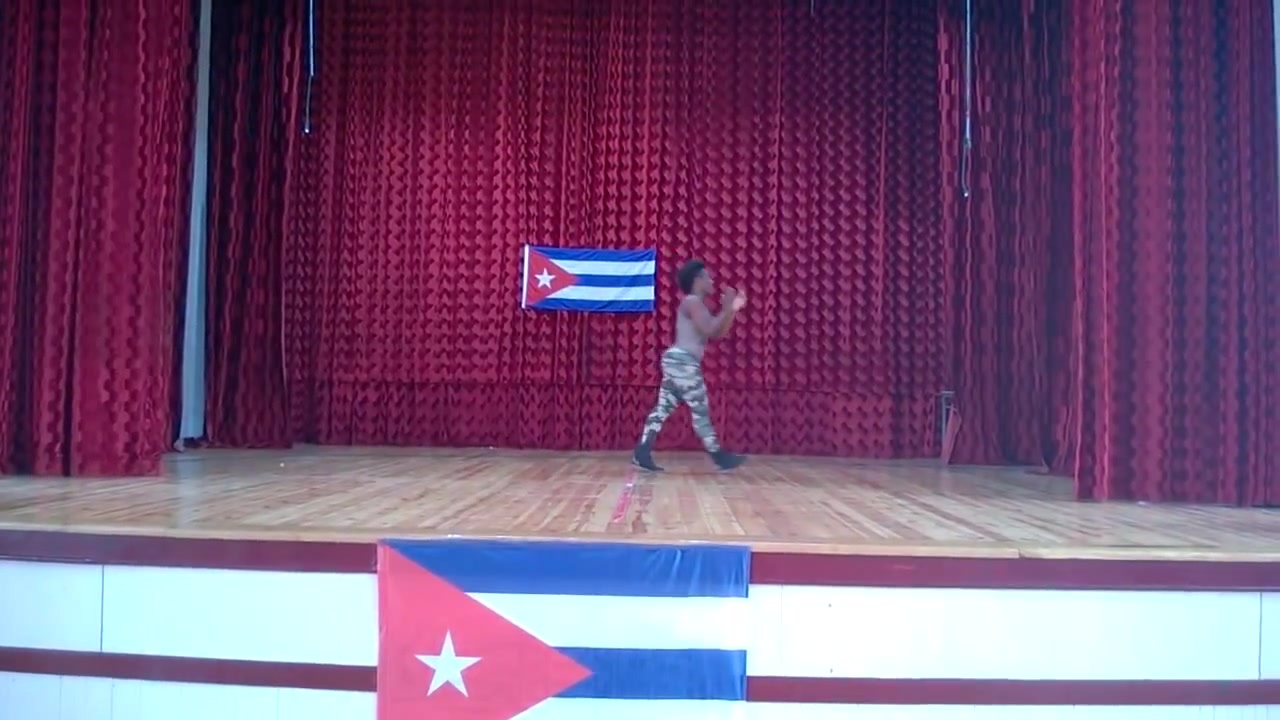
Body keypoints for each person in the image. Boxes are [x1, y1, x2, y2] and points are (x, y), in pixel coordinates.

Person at [632, 259, 747, 472]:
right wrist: (727, 308)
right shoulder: (692, 301)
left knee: (663, 408)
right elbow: (710, 329)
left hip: (678, 362)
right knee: (700, 408)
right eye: (708, 277)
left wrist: (731, 310)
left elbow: (718, 332)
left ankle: (642, 451)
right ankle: (718, 455)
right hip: (683, 362)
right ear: (697, 280)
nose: (712, 281)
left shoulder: (695, 304)